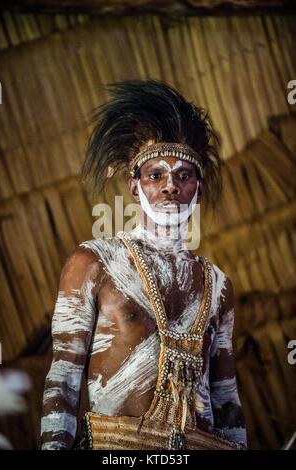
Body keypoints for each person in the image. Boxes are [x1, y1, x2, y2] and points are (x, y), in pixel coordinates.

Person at [40, 79, 247, 450]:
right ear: (135, 188)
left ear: (197, 190)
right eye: (156, 175)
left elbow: (226, 399)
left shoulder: (217, 286)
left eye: (183, 176)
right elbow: (64, 378)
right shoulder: (93, 263)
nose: (170, 186)